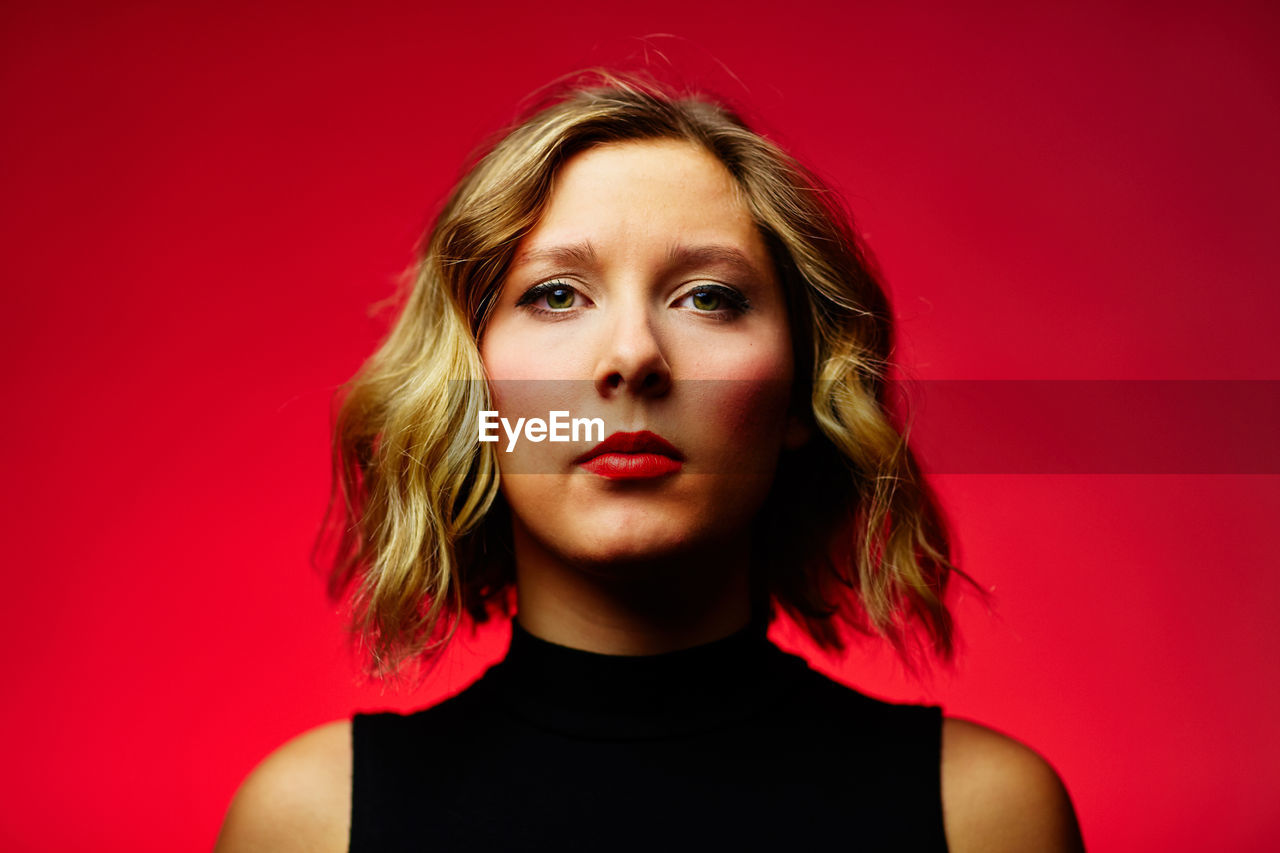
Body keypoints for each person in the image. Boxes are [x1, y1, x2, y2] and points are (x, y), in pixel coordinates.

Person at [214, 70, 1085, 852]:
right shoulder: (310, 825)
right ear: (473, 392)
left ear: (797, 396)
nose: (631, 355)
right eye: (557, 295)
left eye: (708, 296)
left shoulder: (984, 820)